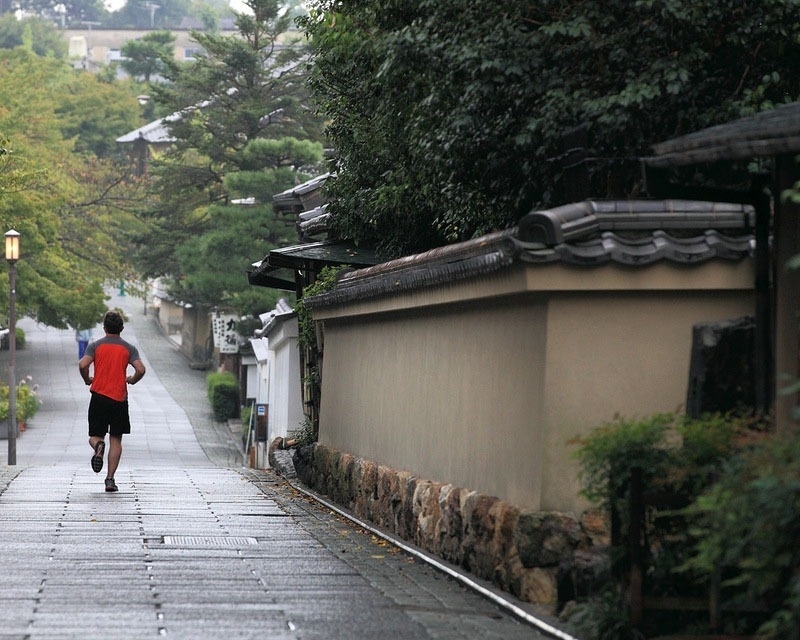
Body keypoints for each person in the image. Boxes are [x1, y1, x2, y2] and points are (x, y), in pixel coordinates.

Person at [78, 310, 146, 492]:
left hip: (99, 396)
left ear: (104, 327)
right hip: (119, 399)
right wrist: (132, 379)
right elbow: (141, 369)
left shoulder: (95, 346)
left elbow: (83, 364)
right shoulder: (129, 348)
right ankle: (110, 480)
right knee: (116, 439)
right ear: (121, 328)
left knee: (95, 436)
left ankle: (98, 446)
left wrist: (87, 379)